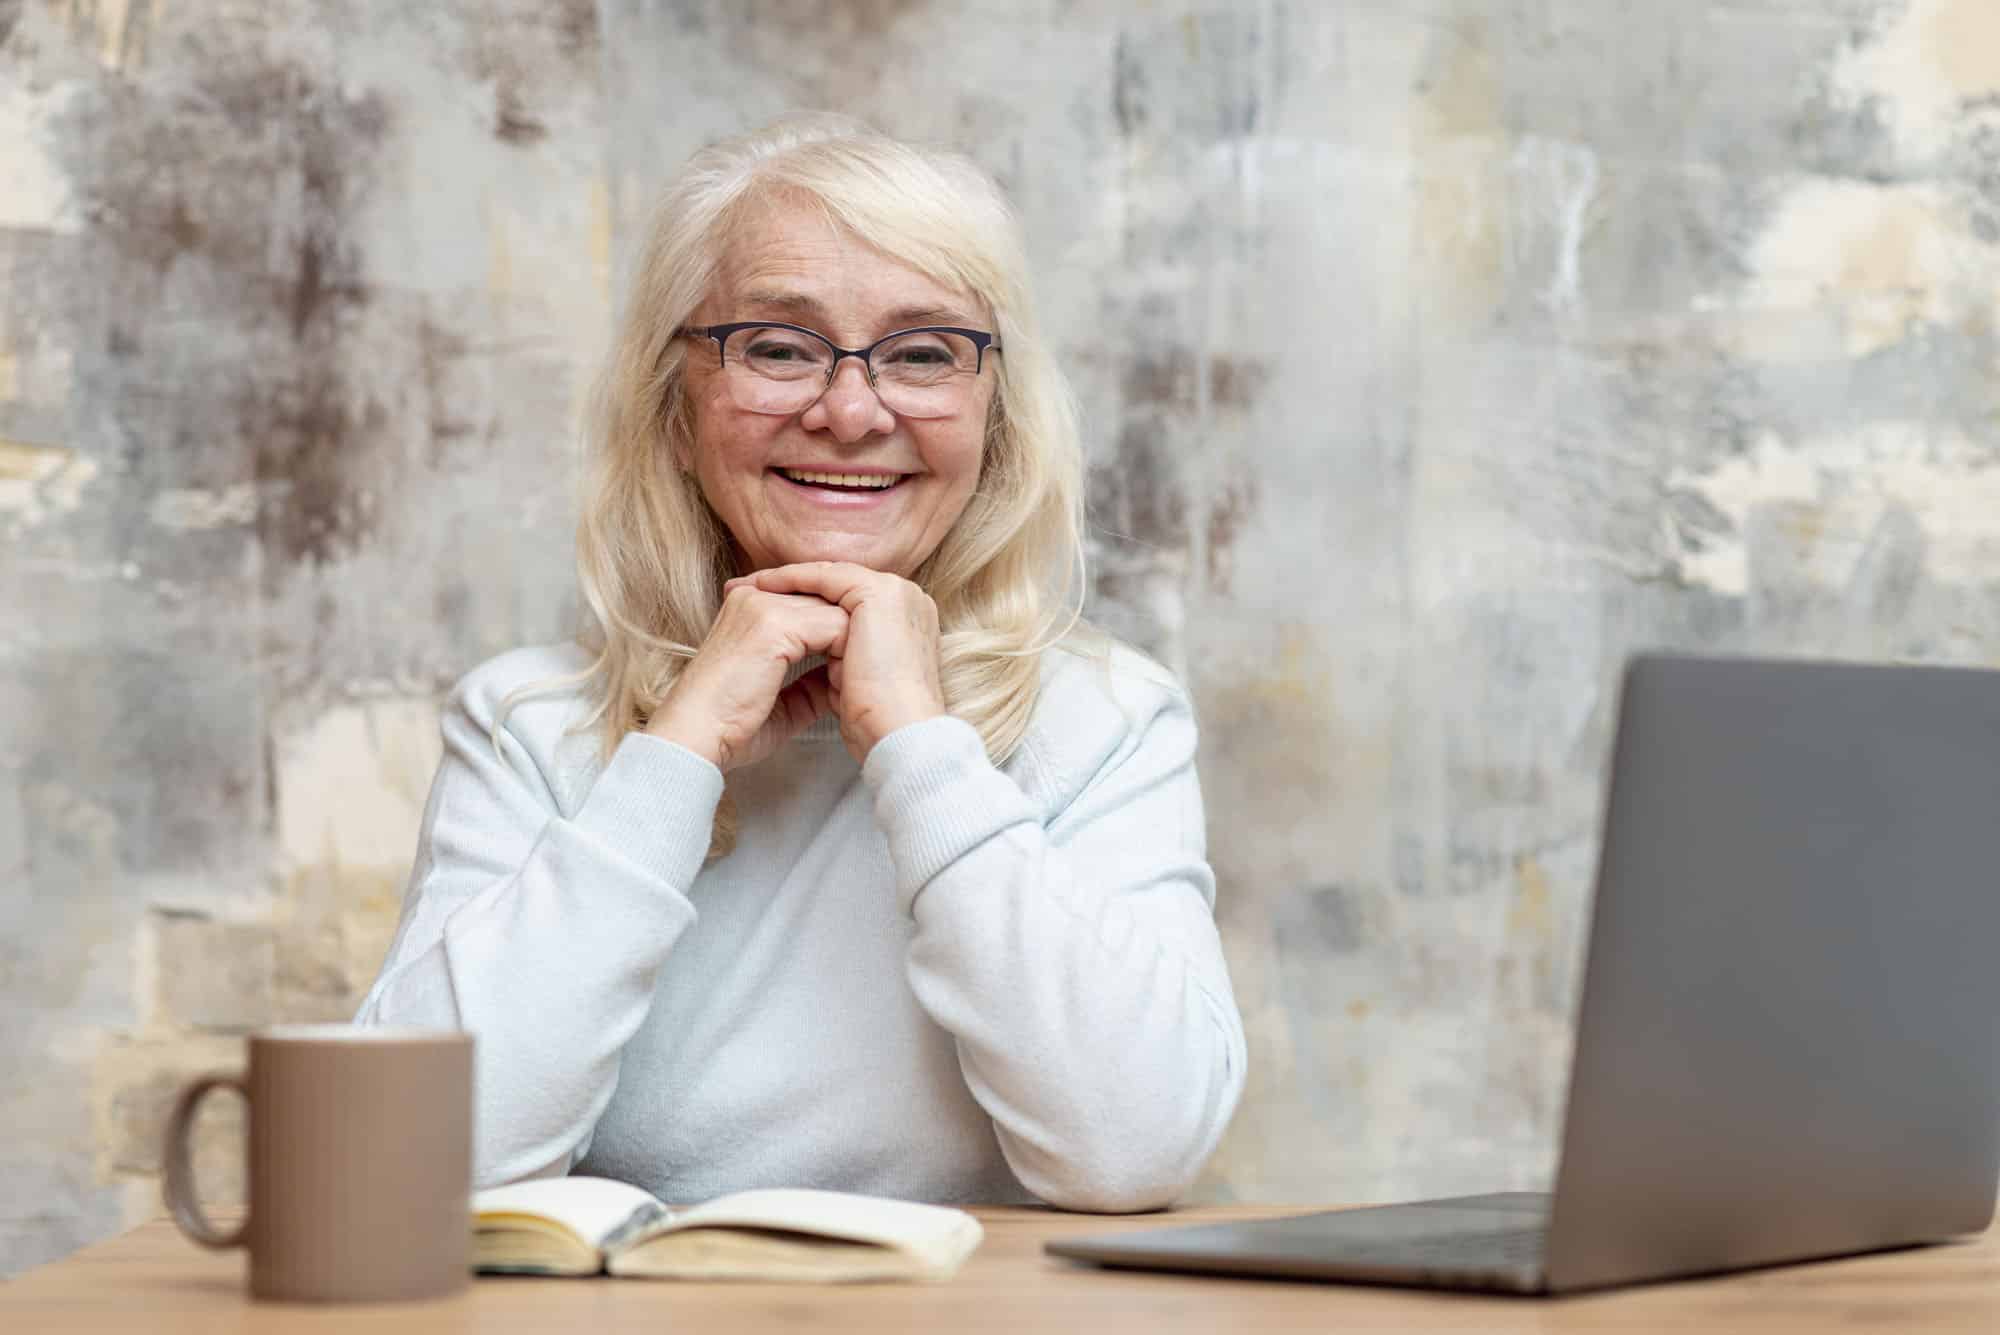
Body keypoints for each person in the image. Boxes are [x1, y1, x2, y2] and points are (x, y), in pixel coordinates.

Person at [354, 115, 1246, 1213]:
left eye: (922, 354)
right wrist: (672, 755)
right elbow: (405, 1164)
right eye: (778, 348)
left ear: (992, 420)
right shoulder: (528, 721)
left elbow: (1135, 1151)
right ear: (673, 408)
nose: (850, 411)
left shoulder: (1105, 720)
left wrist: (921, 752)